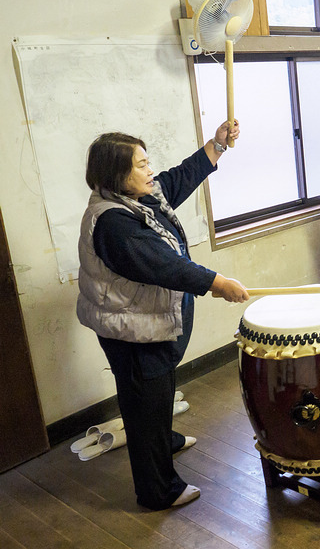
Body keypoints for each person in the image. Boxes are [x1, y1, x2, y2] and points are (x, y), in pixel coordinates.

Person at [76, 120, 250, 510]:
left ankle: (164, 439)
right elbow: (164, 266)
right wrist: (219, 283)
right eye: (141, 164)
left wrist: (216, 146)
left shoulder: (136, 197)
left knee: (157, 394)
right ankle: (158, 491)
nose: (150, 169)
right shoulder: (112, 222)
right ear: (117, 174)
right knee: (144, 404)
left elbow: (175, 181)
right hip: (131, 332)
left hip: (150, 325)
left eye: (147, 160)